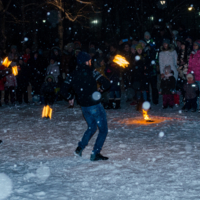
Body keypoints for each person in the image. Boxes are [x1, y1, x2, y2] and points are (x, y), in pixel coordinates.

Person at [60, 52, 110, 161]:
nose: (91, 63)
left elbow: (63, 89)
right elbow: (106, 83)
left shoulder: (73, 74)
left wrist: (70, 97)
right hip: (95, 105)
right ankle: (95, 153)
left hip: (84, 106)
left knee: (92, 127)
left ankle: (79, 148)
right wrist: (100, 89)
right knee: (103, 130)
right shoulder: (92, 72)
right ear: (87, 61)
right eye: (90, 61)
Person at [187, 40, 200, 112]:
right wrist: (188, 74)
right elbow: (190, 65)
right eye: (194, 45)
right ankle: (196, 106)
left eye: (196, 45)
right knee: (194, 93)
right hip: (194, 76)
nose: (194, 46)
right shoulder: (192, 54)